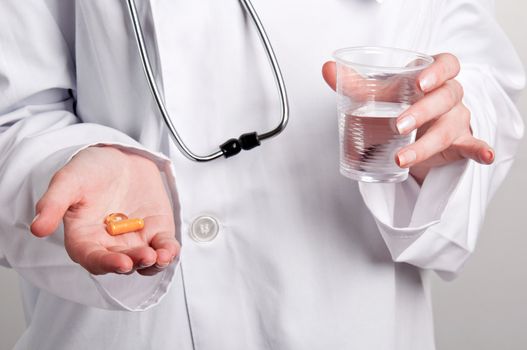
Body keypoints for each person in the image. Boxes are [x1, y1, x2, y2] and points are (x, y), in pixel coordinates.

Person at [0, 1, 523, 349]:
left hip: (342, 316)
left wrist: (437, 132)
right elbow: (15, 112)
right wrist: (67, 162)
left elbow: (477, 73)